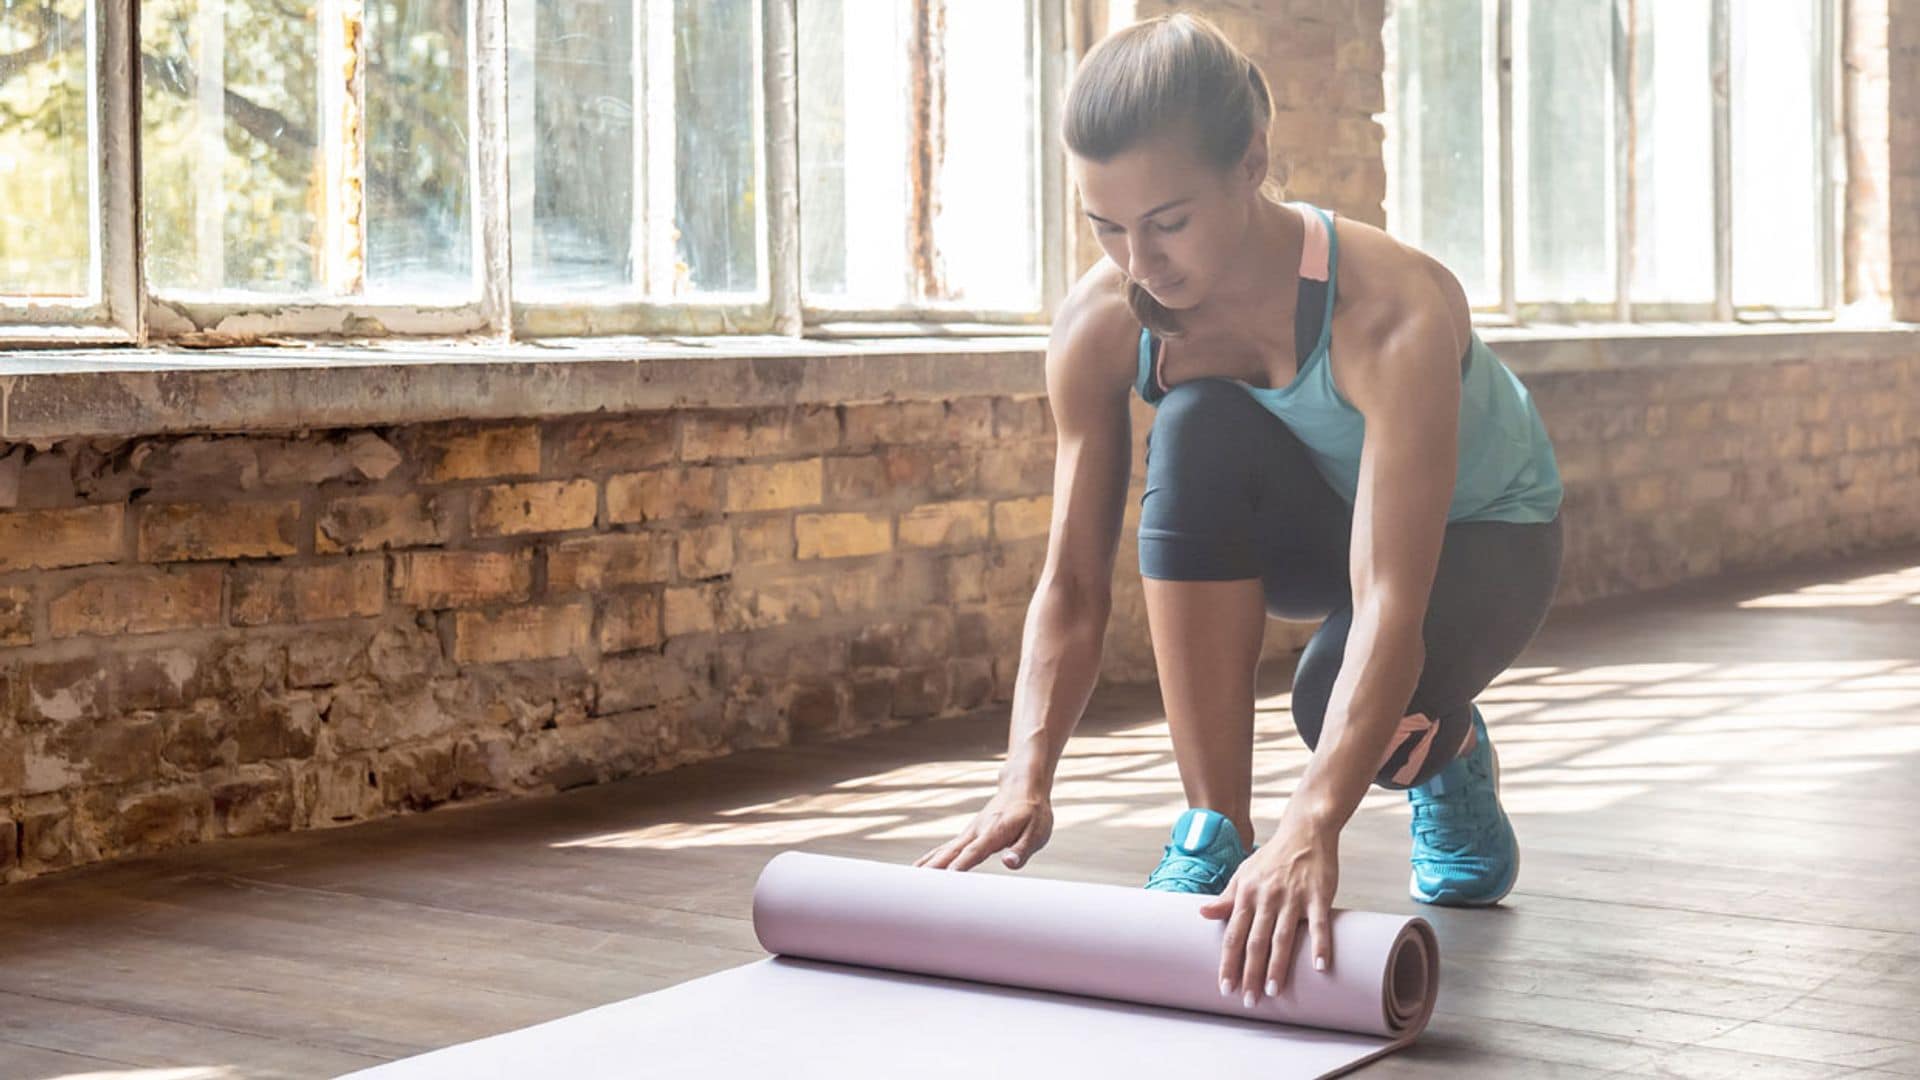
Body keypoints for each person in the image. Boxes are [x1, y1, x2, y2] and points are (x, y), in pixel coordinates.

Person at [913, 13, 1563, 1009]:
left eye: (1167, 221)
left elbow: (1390, 594)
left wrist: (1316, 823)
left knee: (1327, 703)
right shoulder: (1100, 324)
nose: (1141, 260)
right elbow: (1074, 582)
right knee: (1198, 421)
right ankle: (1213, 826)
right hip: (1313, 513)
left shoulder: (1392, 309)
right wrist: (1024, 776)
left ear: (1251, 162)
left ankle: (1451, 753)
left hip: (1485, 534)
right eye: (1106, 226)